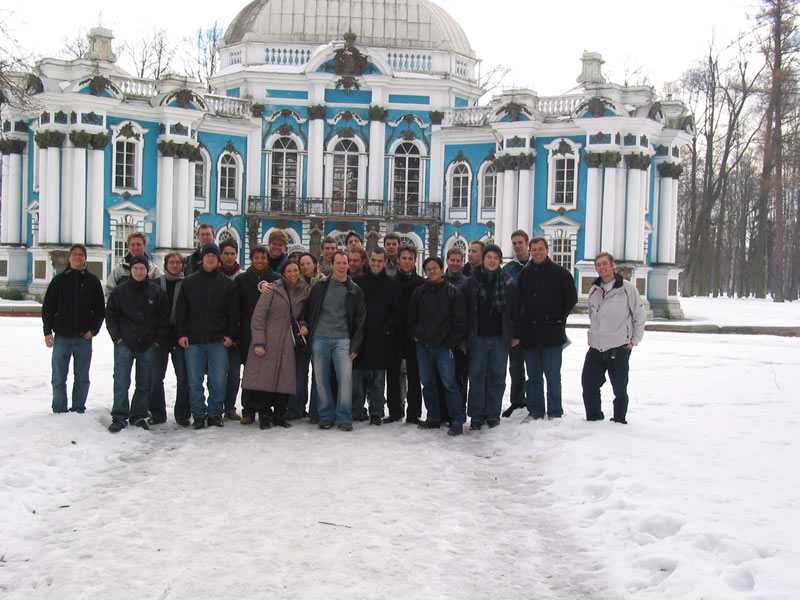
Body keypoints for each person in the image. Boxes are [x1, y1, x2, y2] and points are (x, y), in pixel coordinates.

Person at [175, 242, 239, 429]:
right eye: (207, 255)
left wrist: (230, 335)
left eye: (213, 256)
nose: (210, 259)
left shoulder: (227, 284)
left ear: (218, 260)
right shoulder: (189, 282)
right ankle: (198, 414)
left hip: (218, 340)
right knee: (195, 381)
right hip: (193, 340)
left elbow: (233, 313)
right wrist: (181, 334)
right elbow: (181, 311)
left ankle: (214, 413)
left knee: (218, 380)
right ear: (202, 259)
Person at [105, 255, 170, 432]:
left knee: (144, 383)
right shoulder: (120, 291)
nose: (139, 272)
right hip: (125, 343)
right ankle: (119, 416)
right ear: (131, 270)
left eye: (142, 268)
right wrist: (118, 338)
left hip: (148, 345)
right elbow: (110, 316)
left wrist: (157, 341)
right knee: (121, 381)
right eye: (135, 268)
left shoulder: (156, 292)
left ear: (147, 270)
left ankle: (138, 415)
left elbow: (163, 319)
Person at [241, 260, 308, 429]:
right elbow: (258, 316)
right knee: (266, 379)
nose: (293, 274)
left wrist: (304, 325)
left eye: (295, 270)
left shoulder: (302, 291)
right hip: (269, 338)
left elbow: (301, 316)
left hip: (288, 341)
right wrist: (259, 342)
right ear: (283, 273)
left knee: (285, 379)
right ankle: (264, 415)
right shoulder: (272, 289)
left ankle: (279, 415)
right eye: (289, 271)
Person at [304, 250, 366, 431]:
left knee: (345, 380)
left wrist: (356, 345)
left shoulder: (354, 290)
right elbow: (309, 311)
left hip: (343, 340)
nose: (341, 266)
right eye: (338, 262)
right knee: (321, 379)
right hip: (320, 338)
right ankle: (326, 416)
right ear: (331, 265)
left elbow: (360, 320)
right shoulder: (320, 287)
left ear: (348, 265)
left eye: (344, 263)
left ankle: (344, 417)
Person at [582, 252, 645, 424]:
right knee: (589, 384)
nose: (601, 267)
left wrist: (634, 340)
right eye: (598, 265)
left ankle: (619, 419)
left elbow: (639, 316)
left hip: (618, 345)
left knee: (619, 387)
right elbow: (592, 315)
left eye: (605, 264)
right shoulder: (594, 290)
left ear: (612, 265)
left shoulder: (627, 289)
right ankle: (594, 416)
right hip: (596, 345)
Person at [518, 237, 577, 421]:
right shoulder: (526, 273)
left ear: (547, 250)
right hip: (530, 333)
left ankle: (555, 411)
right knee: (533, 375)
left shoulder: (560, 273)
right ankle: (535, 410)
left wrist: (558, 318)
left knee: (552, 375)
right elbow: (520, 301)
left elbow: (571, 299)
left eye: (540, 249)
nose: (537, 252)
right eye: (534, 249)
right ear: (530, 251)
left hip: (552, 333)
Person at [42, 244, 105, 414]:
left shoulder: (92, 281)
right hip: (62, 337)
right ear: (70, 257)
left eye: (81, 255)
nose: (78, 258)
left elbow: (100, 309)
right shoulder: (59, 281)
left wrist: (94, 330)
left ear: (85, 258)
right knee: (58, 377)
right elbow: (48, 307)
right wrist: (47, 331)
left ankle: (78, 408)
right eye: (75, 254)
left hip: (84, 338)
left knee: (82, 377)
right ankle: (59, 408)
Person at [407, 256, 467, 436]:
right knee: (428, 383)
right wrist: (415, 335)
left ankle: (456, 419)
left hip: (444, 347)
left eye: (435, 268)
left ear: (441, 269)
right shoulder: (420, 292)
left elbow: (460, 321)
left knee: (449, 383)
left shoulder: (453, 292)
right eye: (428, 269)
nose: (432, 272)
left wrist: (450, 341)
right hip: (423, 346)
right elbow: (411, 317)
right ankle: (433, 417)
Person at [464, 244, 521, 430]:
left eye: (496, 258)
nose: (492, 260)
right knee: (476, 377)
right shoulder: (472, 281)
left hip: (499, 338)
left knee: (497, 377)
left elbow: (515, 310)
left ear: (500, 261)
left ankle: (492, 414)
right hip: (477, 337)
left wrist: (515, 334)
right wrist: (464, 337)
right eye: (489, 257)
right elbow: (465, 310)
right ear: (483, 259)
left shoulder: (507, 282)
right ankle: (476, 415)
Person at [352, 248, 403, 425]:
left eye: (379, 261)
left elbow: (398, 311)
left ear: (385, 262)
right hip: (361, 335)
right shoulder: (358, 282)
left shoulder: (393, 284)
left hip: (381, 337)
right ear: (369, 260)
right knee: (358, 377)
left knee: (378, 378)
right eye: (373, 260)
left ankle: (376, 411)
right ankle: (357, 410)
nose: (376, 264)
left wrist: (387, 329)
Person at [235, 245, 280, 425]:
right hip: (247, 333)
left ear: (268, 260)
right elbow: (236, 307)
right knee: (250, 372)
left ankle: (265, 409)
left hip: (269, 333)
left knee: (267, 373)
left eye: (263, 258)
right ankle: (248, 410)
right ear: (251, 259)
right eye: (256, 258)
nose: (259, 261)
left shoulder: (276, 279)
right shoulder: (241, 280)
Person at [150, 252, 191, 426]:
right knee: (155, 377)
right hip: (159, 337)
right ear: (166, 265)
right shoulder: (155, 284)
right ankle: (157, 413)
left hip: (180, 336)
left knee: (183, 377)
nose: (175, 265)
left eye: (178, 262)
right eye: (172, 262)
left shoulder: (188, 284)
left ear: (183, 266)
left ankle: (183, 414)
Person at [385, 244, 425, 424]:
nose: (407, 262)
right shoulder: (391, 282)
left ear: (415, 261)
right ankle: (395, 410)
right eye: (404, 258)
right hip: (394, 334)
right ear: (398, 260)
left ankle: (414, 413)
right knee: (392, 374)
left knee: (414, 375)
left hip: (414, 335)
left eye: (410, 259)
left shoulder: (421, 283)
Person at [501, 230, 531, 417]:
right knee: (516, 366)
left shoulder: (537, 264)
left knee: (536, 366)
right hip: (515, 324)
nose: (517, 246)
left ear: (527, 243)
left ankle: (535, 401)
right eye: (514, 243)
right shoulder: (508, 269)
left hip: (535, 325)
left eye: (520, 242)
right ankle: (517, 401)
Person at [219, 238, 244, 421]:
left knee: (234, 374)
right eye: (226, 253)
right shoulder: (214, 274)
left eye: (232, 253)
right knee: (217, 375)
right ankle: (216, 406)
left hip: (236, 335)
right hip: (217, 334)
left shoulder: (241, 277)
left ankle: (229, 407)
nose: (229, 257)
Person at [105, 232, 162, 299]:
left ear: (145, 247)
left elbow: (161, 293)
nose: (136, 248)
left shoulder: (154, 271)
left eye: (138, 245)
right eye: (133, 245)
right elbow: (109, 291)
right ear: (129, 247)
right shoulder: (119, 270)